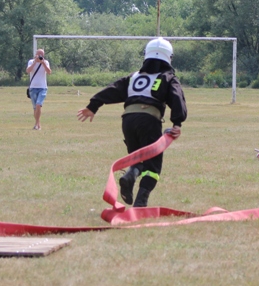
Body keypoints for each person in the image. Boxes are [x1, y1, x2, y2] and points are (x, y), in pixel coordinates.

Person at [77, 38, 187, 208]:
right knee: (153, 166)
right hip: (149, 120)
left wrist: (93, 106)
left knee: (138, 159)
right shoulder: (168, 77)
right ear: (169, 57)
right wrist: (177, 123)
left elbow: (112, 89)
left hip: (127, 121)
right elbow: (177, 98)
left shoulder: (134, 77)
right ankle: (140, 203)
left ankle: (130, 175)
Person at [26, 48, 51, 130]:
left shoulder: (46, 62)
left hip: (42, 88)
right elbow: (28, 70)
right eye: (39, 54)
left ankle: (36, 125)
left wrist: (42, 63)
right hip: (33, 88)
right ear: (35, 54)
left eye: (41, 55)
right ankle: (38, 123)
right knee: (35, 108)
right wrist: (35, 62)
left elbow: (49, 72)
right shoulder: (31, 61)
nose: (40, 56)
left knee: (38, 105)